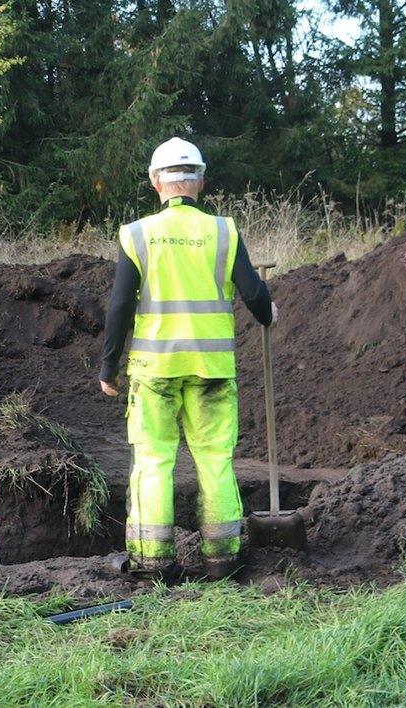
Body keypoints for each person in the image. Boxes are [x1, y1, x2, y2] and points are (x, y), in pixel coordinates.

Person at [98, 137, 276, 582]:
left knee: (154, 461)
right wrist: (267, 311)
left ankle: (153, 563)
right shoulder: (224, 231)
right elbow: (254, 293)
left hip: (154, 371)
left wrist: (108, 366)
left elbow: (120, 306)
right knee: (215, 459)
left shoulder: (138, 234)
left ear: (156, 182)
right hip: (212, 369)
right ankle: (224, 559)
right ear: (200, 181)